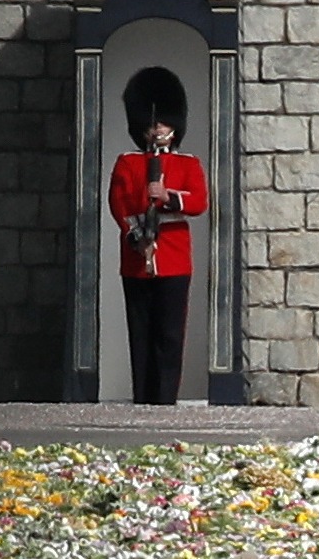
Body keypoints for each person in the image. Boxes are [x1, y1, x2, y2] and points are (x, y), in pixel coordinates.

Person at [108, 67, 208, 405]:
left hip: (175, 259)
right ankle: (143, 401)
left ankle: (166, 401)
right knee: (141, 334)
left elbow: (199, 202)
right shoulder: (128, 162)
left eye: (164, 122)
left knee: (169, 335)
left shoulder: (189, 163)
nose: (158, 129)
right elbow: (119, 203)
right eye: (153, 123)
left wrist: (168, 198)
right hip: (138, 258)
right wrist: (138, 238)